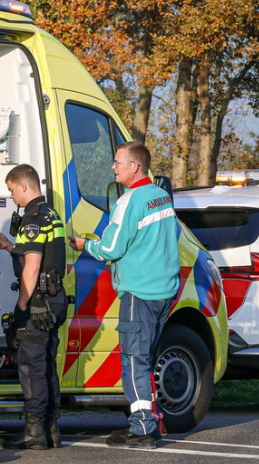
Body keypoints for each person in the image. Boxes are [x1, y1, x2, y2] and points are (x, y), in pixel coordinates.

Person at [67, 141, 179, 448]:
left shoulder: (130, 201)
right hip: (164, 291)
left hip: (139, 291)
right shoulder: (161, 197)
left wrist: (84, 245)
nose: (113, 167)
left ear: (135, 166)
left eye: (118, 162)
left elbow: (111, 248)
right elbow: (173, 237)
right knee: (146, 358)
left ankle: (143, 428)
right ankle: (149, 421)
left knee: (133, 360)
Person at [0, 163, 68, 450]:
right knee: (47, 364)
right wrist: (12, 248)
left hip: (37, 303)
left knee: (31, 366)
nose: (12, 197)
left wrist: (22, 303)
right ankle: (51, 429)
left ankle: (34, 432)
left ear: (24, 185)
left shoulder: (32, 218)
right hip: (54, 299)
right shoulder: (52, 215)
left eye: (12, 190)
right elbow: (45, 254)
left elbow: (32, 267)